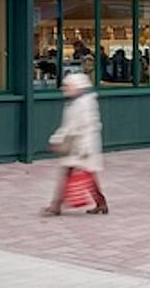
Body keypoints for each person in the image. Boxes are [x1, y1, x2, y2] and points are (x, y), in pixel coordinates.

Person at [43, 73, 108, 216]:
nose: (64, 88)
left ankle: (56, 206)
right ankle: (101, 203)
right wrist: (56, 139)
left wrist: (84, 148)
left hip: (82, 146)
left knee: (69, 173)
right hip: (76, 145)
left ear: (77, 87)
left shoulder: (84, 104)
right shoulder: (75, 102)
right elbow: (68, 126)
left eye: (67, 86)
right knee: (87, 174)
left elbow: (88, 127)